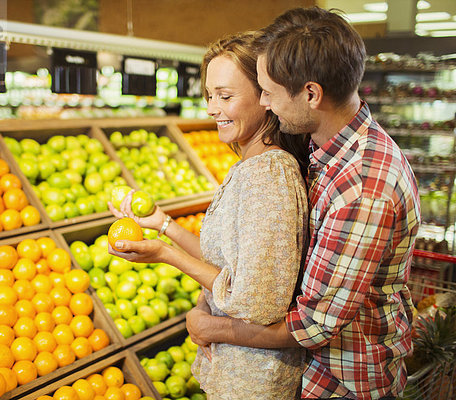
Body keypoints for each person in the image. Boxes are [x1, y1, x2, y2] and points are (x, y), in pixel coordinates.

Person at [185, 7, 422, 400]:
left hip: (344, 382)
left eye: (269, 92)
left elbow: (314, 324)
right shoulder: (323, 144)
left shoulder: (363, 189)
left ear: (311, 94)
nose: (264, 102)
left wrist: (213, 327)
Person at [108, 30, 310, 399]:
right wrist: (162, 224)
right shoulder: (251, 165)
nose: (211, 108)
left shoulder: (267, 175)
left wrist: (166, 255)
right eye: (209, 95)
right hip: (239, 372)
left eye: (225, 96)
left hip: (254, 381)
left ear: (264, 96)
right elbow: (229, 262)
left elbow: (255, 301)